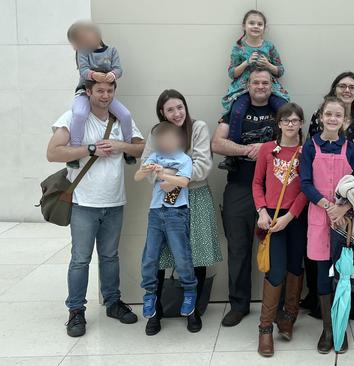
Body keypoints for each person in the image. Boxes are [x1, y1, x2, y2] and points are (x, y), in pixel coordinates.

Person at [46, 76, 144, 337]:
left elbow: (139, 148)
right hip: (83, 203)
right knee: (80, 259)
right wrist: (90, 149)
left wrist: (119, 145)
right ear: (88, 91)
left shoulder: (120, 119)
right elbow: (53, 153)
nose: (105, 95)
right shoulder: (72, 118)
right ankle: (76, 311)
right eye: (99, 90)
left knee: (110, 256)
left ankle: (113, 303)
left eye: (110, 90)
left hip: (114, 201)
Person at [141, 89, 223, 335]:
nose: (177, 113)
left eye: (180, 107)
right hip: (164, 202)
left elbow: (202, 166)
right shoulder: (157, 134)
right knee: (157, 255)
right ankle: (154, 311)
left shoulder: (197, 128)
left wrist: (169, 175)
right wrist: (166, 176)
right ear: (162, 113)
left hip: (195, 198)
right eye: (170, 109)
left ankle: (193, 310)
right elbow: (146, 167)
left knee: (194, 254)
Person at [212, 67, 283, 327]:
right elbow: (217, 144)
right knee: (239, 249)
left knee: (276, 250)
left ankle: (278, 305)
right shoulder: (235, 111)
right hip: (239, 188)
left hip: (275, 190)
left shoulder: (281, 112)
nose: (261, 86)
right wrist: (246, 149)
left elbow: (295, 141)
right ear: (248, 85)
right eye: (256, 82)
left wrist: (264, 149)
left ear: (272, 85)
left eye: (265, 82)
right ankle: (238, 305)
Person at [300, 96, 354, 354]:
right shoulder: (310, 147)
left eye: (337, 115)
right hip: (318, 218)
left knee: (342, 274)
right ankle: (328, 329)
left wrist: (344, 207)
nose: (332, 119)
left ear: (344, 120)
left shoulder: (350, 148)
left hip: (345, 222)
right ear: (320, 116)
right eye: (328, 114)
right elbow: (305, 182)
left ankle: (341, 328)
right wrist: (326, 206)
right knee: (322, 275)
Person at [252, 103, 309, 357]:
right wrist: (262, 211)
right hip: (271, 218)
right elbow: (256, 183)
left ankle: (288, 317)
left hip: (295, 218)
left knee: (295, 267)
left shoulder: (306, 151)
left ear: (301, 124)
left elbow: (308, 187)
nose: (290, 124)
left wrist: (291, 216)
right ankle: (265, 329)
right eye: (286, 120)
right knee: (275, 271)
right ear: (279, 123)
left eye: (295, 120)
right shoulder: (267, 149)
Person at [135, 122, 197, 322]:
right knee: (149, 257)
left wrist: (163, 173)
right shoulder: (154, 156)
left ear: (178, 140)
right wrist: (146, 170)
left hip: (177, 214)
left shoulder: (184, 159)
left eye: (167, 139)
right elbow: (137, 177)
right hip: (155, 213)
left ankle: (189, 291)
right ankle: (150, 294)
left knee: (182, 256)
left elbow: (184, 182)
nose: (163, 143)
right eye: (159, 141)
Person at [66, 21, 134, 168]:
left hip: (104, 94)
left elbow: (119, 69)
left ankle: (128, 150)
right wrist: (94, 75)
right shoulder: (83, 51)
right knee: (79, 114)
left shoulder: (112, 51)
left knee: (126, 115)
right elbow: (83, 71)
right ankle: (75, 151)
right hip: (85, 92)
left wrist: (113, 75)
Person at [221, 10, 289, 147]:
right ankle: (232, 155)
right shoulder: (238, 48)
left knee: (285, 109)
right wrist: (246, 62)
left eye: (260, 24)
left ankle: (286, 146)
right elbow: (231, 73)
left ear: (264, 28)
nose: (256, 26)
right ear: (244, 26)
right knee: (237, 111)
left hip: (269, 88)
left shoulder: (269, 46)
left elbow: (280, 70)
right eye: (251, 23)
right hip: (243, 89)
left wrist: (268, 65)